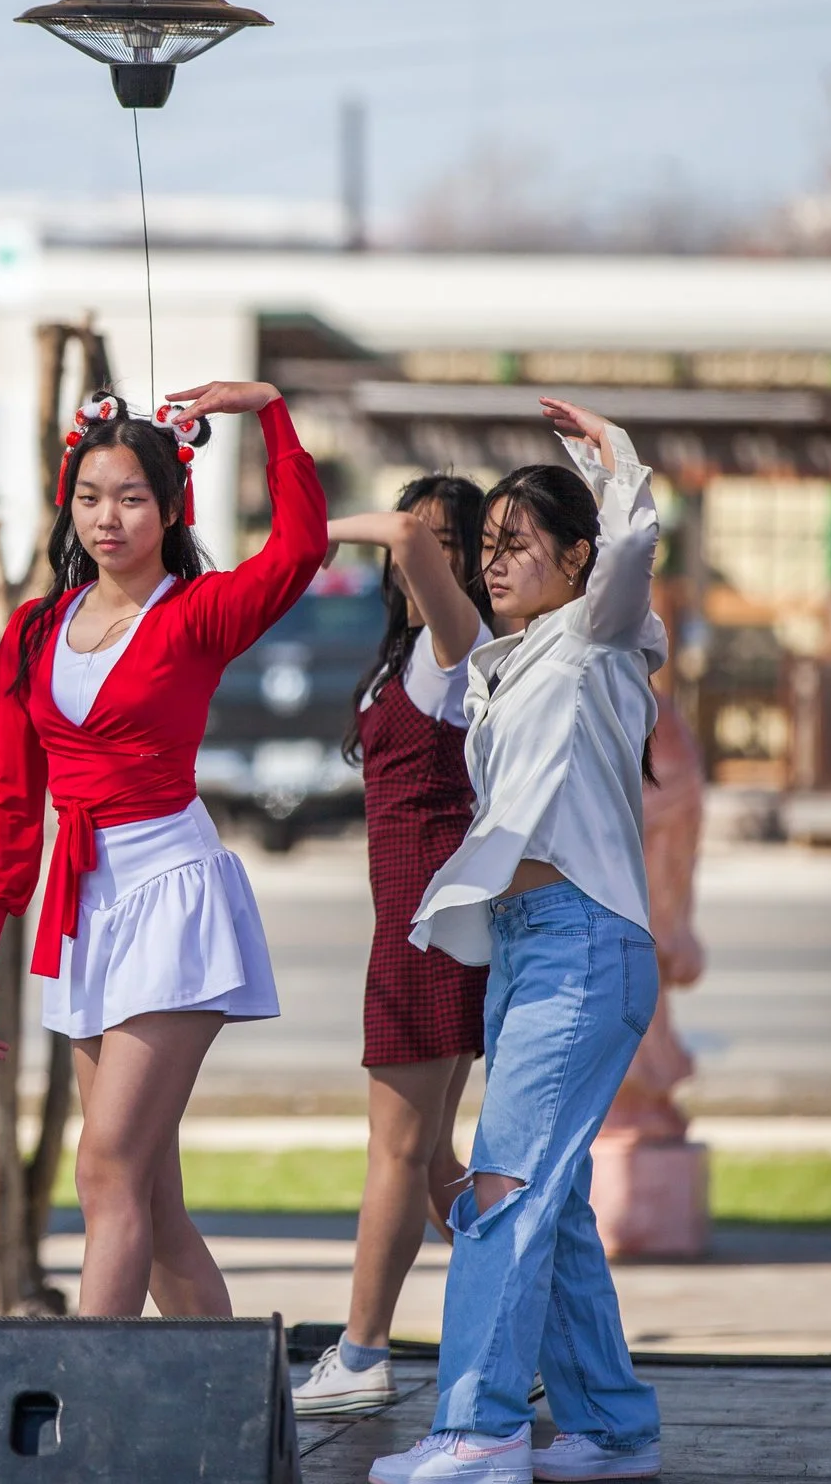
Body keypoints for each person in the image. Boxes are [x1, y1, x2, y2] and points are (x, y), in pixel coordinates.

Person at [0, 381, 326, 1319]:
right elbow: (4, 790)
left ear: (169, 508)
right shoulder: (36, 629)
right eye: (89, 497)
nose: (107, 518)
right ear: (66, 504)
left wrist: (269, 411)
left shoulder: (196, 613)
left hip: (172, 890)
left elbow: (299, 548)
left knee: (105, 1168)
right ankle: (237, 1400)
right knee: (148, 1203)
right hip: (84, 908)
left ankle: (86, 1396)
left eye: (130, 498)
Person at [375, 399, 665, 1484]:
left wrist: (608, 454)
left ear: (577, 560)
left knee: (500, 1188)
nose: (492, 561)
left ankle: (479, 1427)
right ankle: (612, 1426)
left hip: (581, 946)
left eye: (516, 543)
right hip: (530, 946)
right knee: (554, 1202)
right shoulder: (510, 663)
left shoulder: (599, 631)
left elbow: (630, 549)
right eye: (486, 544)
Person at [295, 475, 498, 1417]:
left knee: (398, 1154)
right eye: (429, 541)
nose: (430, 553)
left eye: (458, 544)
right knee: (435, 1160)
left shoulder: (457, 645)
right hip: (423, 929)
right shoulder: (412, 652)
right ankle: (539, 1336)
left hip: (427, 932)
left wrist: (305, 528)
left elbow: (411, 538)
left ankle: (363, 1353)